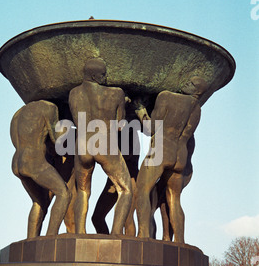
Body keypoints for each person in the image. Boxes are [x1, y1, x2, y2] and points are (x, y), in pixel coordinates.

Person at [135, 76, 208, 242]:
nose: (186, 83)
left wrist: (141, 111)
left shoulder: (166, 96)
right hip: (180, 155)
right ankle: (179, 241)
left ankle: (143, 235)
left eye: (192, 84)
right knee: (174, 199)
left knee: (142, 190)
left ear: (197, 91)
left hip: (162, 150)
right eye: (189, 81)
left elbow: (151, 128)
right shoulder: (197, 109)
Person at [68, 58, 132, 234]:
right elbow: (120, 123)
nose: (105, 77)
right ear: (95, 76)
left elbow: (75, 119)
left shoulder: (74, 93)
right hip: (104, 143)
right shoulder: (116, 93)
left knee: (82, 191)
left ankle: (80, 232)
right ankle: (117, 233)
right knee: (126, 189)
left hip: (82, 145)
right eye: (103, 74)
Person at [10, 100, 71, 238]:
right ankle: (50, 237)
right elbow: (56, 140)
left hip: (17, 162)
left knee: (39, 202)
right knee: (64, 193)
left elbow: (15, 139)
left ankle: (31, 240)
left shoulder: (19, 113)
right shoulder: (49, 107)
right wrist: (67, 128)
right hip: (34, 161)